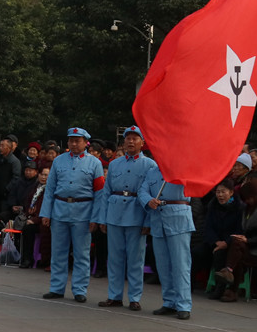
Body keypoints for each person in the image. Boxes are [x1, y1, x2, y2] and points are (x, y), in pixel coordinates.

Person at [94, 126, 158, 311]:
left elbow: (151, 194)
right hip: (115, 214)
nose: (130, 141)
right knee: (114, 258)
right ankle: (114, 295)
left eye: (134, 138)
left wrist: (147, 222)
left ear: (142, 143)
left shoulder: (150, 165)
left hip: (137, 214)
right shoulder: (114, 164)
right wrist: (103, 218)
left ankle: (134, 297)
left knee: (136, 258)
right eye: (127, 138)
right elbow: (106, 192)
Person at [40, 127, 105, 303]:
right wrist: (46, 213)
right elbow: (50, 189)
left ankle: (79, 289)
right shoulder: (59, 161)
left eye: (78, 140)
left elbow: (99, 193)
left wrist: (95, 218)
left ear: (86, 143)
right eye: (71, 140)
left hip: (83, 211)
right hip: (60, 209)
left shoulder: (95, 163)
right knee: (58, 252)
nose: (74, 144)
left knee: (81, 254)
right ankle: (56, 288)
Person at [140, 166, 195, 319]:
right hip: (158, 220)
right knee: (163, 266)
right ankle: (169, 302)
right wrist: (148, 200)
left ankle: (183, 304)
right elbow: (142, 190)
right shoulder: (152, 171)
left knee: (181, 265)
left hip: (178, 219)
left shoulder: (182, 168)